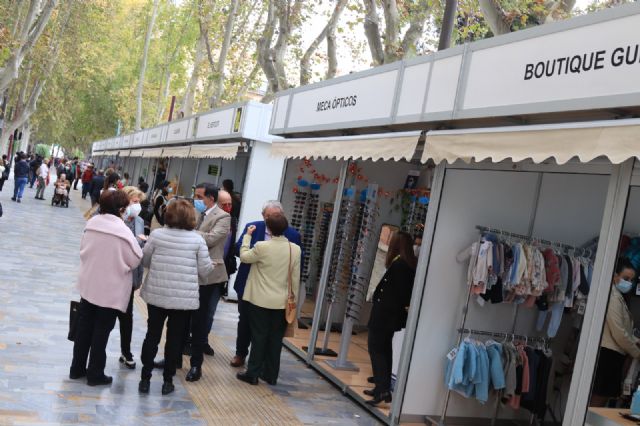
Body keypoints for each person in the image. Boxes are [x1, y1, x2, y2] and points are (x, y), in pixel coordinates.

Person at [139, 199, 214, 395]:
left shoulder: (156, 235)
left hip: (157, 294)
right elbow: (205, 271)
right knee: (174, 340)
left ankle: (145, 379)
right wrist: (213, 265)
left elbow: (145, 260)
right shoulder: (198, 239)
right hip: (183, 299)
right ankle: (167, 382)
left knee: (152, 335)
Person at [69, 190, 143, 386]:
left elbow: (83, 249)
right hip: (110, 291)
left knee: (83, 329)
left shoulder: (91, 224)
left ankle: (76, 369)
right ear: (121, 209)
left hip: (88, 285)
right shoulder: (124, 232)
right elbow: (136, 259)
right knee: (101, 332)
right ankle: (95, 374)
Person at [230, 200, 302, 368]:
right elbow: (238, 248)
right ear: (263, 216)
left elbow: (297, 265)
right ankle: (240, 354)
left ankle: (259, 362)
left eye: (275, 216)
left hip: (276, 292)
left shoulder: (292, 235)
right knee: (245, 321)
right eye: (268, 216)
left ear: (282, 217)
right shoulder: (253, 227)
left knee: (266, 330)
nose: (270, 220)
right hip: (248, 286)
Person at [184, 183, 231, 382]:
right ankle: (176, 357)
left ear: (210, 198)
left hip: (209, 274)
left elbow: (211, 240)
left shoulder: (222, 217)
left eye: (200, 196)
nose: (197, 200)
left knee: (201, 319)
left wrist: (188, 232)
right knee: (182, 317)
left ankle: (196, 364)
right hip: (189, 271)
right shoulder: (194, 212)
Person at [364, 231, 417, 406]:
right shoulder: (406, 263)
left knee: (376, 349)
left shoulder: (401, 264)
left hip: (385, 315)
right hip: (389, 315)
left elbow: (399, 293)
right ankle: (382, 388)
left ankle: (382, 389)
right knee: (385, 350)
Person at [591, 257, 640, 406]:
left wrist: (636, 340)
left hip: (613, 355)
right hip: (608, 355)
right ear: (615, 276)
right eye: (626, 278)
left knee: (601, 399)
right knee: (598, 401)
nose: (629, 283)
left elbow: (623, 330)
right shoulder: (612, 297)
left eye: (631, 280)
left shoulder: (618, 296)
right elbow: (618, 332)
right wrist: (637, 352)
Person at [117, 186, 147, 370]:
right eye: (134, 202)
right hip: (114, 275)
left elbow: (140, 250)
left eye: (139, 202)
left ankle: (125, 352)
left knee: (127, 316)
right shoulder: (115, 220)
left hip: (130, 277)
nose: (137, 206)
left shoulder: (140, 221)